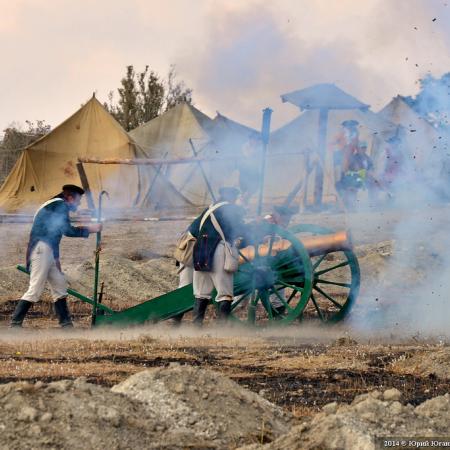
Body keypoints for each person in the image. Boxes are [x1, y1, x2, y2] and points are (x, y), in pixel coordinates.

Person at [10, 185, 102, 328]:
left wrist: (56, 258)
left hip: (49, 250)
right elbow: (67, 230)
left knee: (60, 286)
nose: (78, 204)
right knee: (35, 289)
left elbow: (53, 234)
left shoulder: (55, 205)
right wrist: (90, 229)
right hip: (42, 249)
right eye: (78, 200)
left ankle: (66, 325)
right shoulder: (60, 206)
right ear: (70, 197)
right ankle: (15, 324)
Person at [189, 187, 248, 326]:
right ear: (233, 197)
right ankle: (223, 329)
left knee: (201, 292)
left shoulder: (209, 209)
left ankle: (196, 327)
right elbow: (241, 231)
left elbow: (192, 230)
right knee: (225, 292)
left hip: (200, 251)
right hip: (218, 250)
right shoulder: (232, 210)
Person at [238, 133, 262, 207]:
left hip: (254, 170)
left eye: (257, 140)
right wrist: (255, 149)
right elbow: (248, 155)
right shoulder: (245, 146)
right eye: (254, 139)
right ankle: (243, 204)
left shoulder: (259, 146)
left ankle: (242, 201)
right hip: (245, 170)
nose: (255, 141)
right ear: (250, 139)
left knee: (254, 187)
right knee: (244, 188)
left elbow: (262, 156)